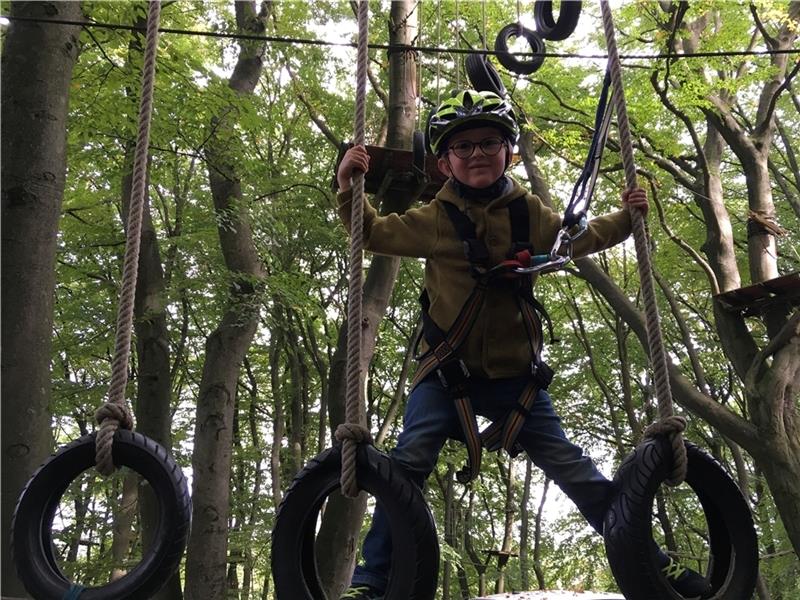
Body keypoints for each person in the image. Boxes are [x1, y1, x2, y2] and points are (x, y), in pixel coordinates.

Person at [335, 89, 710, 600]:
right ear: (444, 163)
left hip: (518, 379)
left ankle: (652, 562)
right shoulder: (435, 219)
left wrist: (627, 217)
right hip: (447, 374)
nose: (476, 155)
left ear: (509, 151)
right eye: (461, 148)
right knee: (408, 462)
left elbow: (577, 238)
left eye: (489, 142)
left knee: (575, 470)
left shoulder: (528, 214)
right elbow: (373, 233)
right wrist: (348, 186)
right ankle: (372, 581)